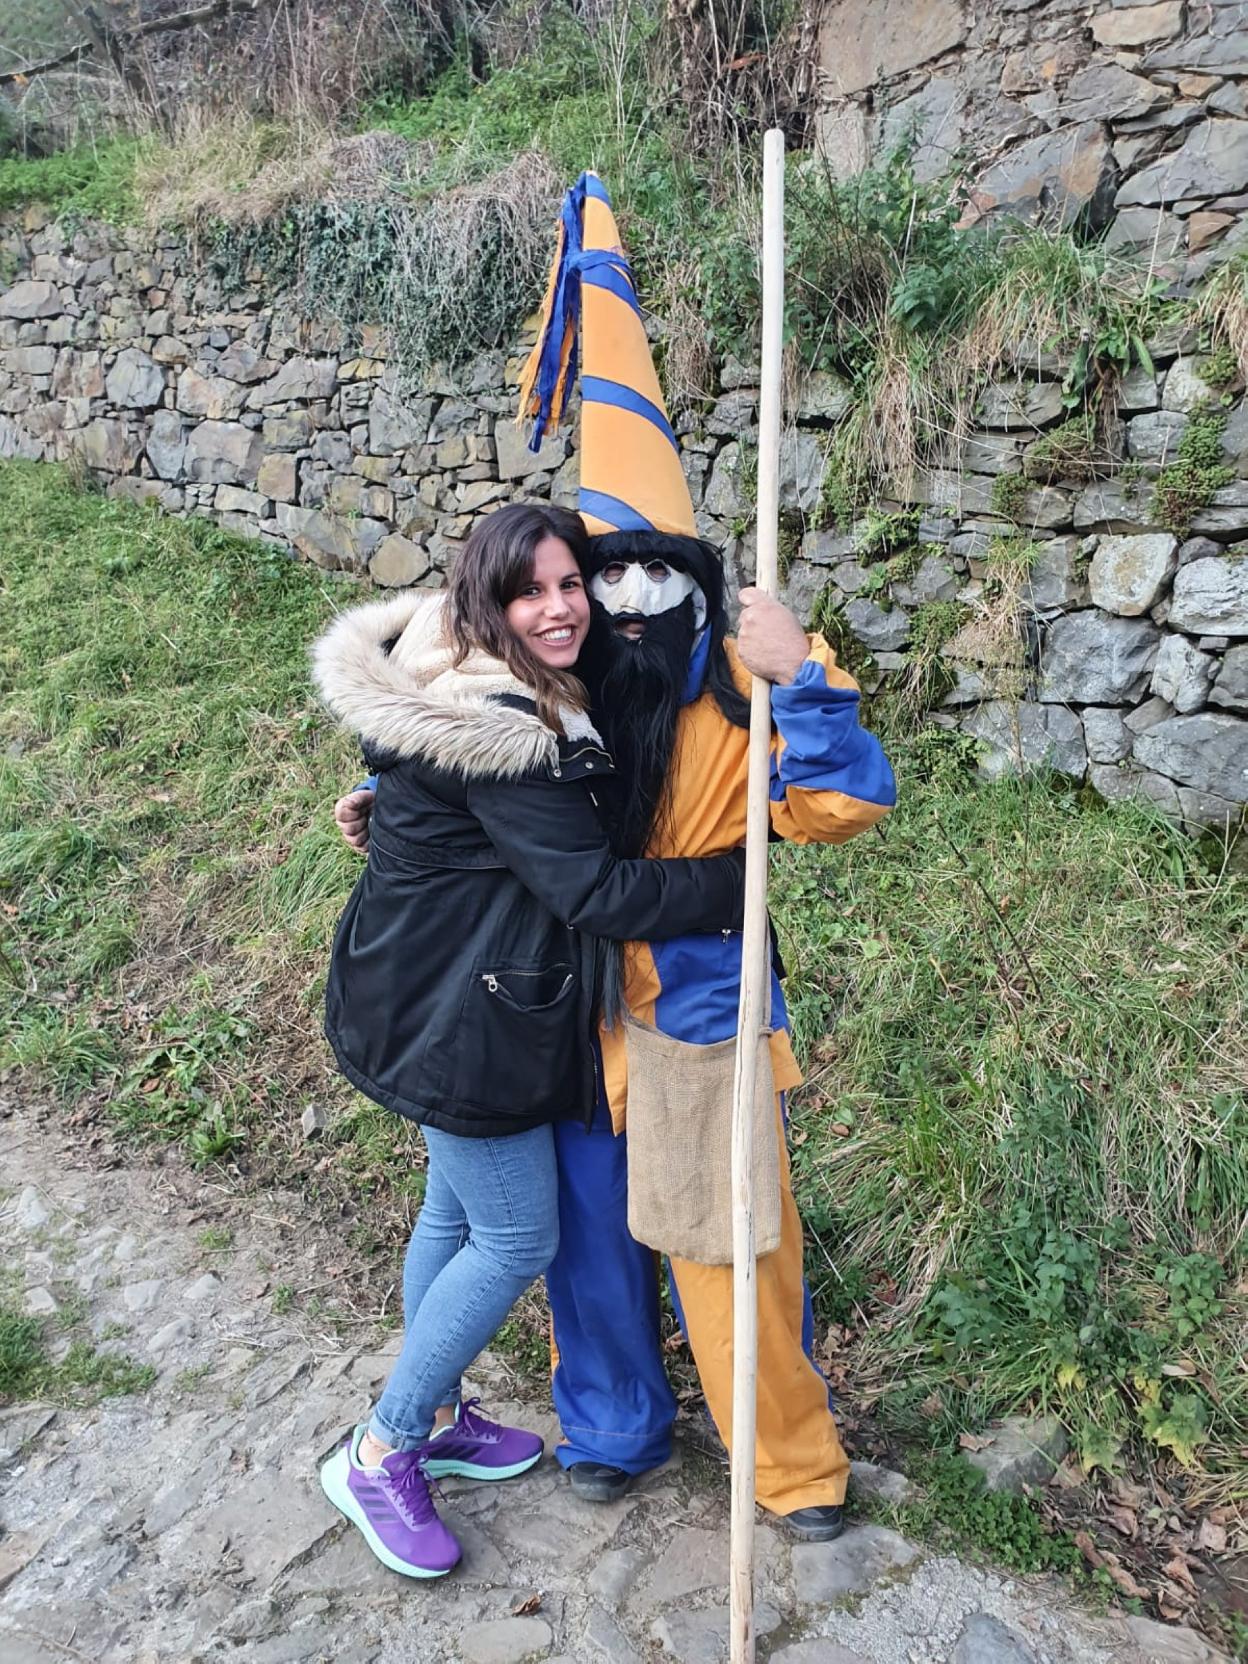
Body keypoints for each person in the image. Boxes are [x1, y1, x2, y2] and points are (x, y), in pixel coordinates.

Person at [333, 172, 896, 1545]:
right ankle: (612, 1427)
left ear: (693, 586)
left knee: (732, 1247)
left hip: (697, 1005)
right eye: (601, 581)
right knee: (585, 1248)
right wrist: (385, 795)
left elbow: (841, 808)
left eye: (642, 586)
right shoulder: (551, 693)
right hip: (561, 1011)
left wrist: (803, 678)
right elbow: (471, 754)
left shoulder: (742, 680)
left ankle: (788, 1462)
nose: (616, 611)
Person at [312, 500, 750, 1580]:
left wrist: (382, 794)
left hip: (413, 986)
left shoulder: (445, 658)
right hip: (462, 1018)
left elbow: (420, 790)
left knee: (450, 1210)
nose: (560, 609)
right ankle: (385, 1445)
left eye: (572, 584)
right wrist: (745, 879)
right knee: (516, 1238)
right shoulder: (501, 729)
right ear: (485, 600)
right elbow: (593, 885)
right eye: (531, 591)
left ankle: (445, 1416)